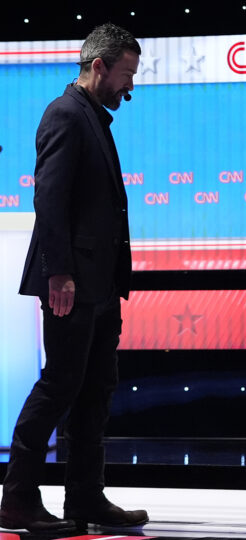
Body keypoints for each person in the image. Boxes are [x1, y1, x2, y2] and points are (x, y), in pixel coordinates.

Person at [0, 23, 148, 534]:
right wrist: (59, 272)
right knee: (60, 385)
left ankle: (85, 499)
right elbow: (50, 199)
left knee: (95, 390)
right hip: (72, 280)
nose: (130, 86)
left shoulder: (94, 117)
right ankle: (17, 499)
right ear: (98, 66)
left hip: (100, 283)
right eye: (126, 74)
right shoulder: (65, 114)